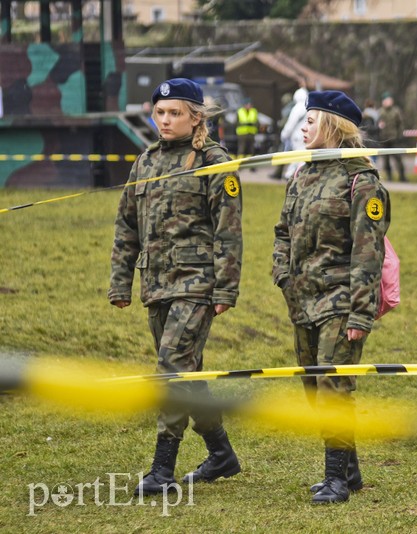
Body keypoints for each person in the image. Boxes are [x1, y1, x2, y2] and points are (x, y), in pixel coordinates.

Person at [108, 78, 244, 495]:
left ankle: (162, 470)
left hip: (197, 284)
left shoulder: (214, 161)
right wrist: (120, 281)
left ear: (196, 117)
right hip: (155, 283)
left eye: (175, 113)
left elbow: (229, 232)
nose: (165, 120)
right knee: (188, 373)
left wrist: (225, 289)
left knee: (170, 370)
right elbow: (126, 226)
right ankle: (221, 454)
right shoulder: (145, 162)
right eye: (160, 113)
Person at [272, 90, 390, 504]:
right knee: (313, 387)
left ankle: (335, 479)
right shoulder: (301, 175)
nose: (303, 128)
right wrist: (282, 273)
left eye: (310, 121)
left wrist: (360, 314)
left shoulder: (361, 181)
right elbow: (282, 231)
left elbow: (368, 253)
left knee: (333, 386)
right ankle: (350, 471)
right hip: (302, 299)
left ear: (334, 126)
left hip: (340, 298)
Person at [280, 86, 309, 180]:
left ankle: (289, 175)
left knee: (297, 156)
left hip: (297, 136)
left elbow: (290, 123)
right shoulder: (309, 107)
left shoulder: (297, 108)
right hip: (306, 135)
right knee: (302, 156)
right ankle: (296, 174)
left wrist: (284, 134)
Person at [378, 91, 408, 182]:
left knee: (398, 158)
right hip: (384, 139)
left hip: (394, 138)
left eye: (390, 100)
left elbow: (400, 124)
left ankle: (402, 176)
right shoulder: (380, 112)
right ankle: (389, 176)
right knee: (386, 160)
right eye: (387, 100)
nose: (388, 102)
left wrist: (399, 136)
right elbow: (377, 125)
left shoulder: (396, 111)